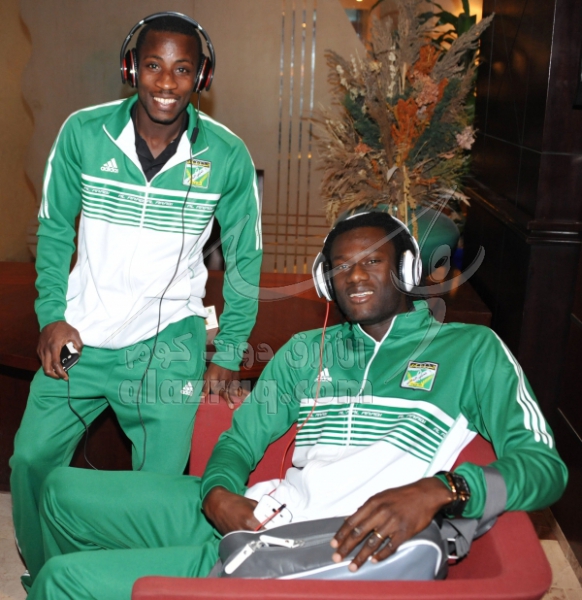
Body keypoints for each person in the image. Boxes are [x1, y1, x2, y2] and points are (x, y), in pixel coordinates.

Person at [27, 210, 567, 600]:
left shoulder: (471, 350)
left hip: (300, 552)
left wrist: (442, 489)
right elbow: (240, 439)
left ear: (407, 270)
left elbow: (545, 467)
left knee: (63, 581)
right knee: (58, 490)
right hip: (261, 508)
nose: (354, 277)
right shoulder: (307, 351)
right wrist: (218, 492)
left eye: (371, 261)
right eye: (340, 266)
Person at [10, 12, 262, 587]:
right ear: (131, 68)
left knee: (157, 485)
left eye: (182, 69)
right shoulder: (83, 132)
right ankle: (49, 578)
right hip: (81, 334)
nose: (166, 82)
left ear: (202, 77)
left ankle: (136, 586)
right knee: (30, 458)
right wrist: (51, 317)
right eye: (153, 65)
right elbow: (54, 230)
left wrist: (229, 350)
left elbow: (246, 261)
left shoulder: (226, 155)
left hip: (167, 340)